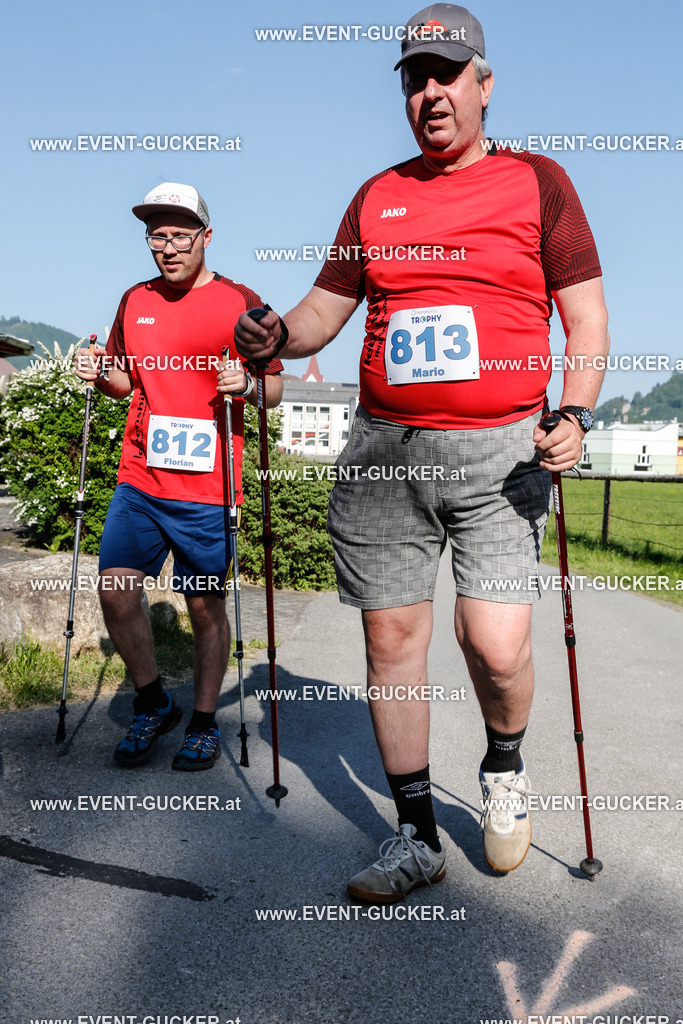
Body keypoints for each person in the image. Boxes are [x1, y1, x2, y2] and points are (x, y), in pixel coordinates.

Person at [235, 3, 609, 900]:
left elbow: (586, 314)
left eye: (447, 73)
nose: (430, 91)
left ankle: (504, 769)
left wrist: (576, 411)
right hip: (383, 455)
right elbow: (326, 311)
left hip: (501, 454)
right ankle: (414, 836)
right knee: (392, 643)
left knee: (496, 647)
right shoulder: (376, 195)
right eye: (414, 77)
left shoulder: (537, 182)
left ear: (484, 84)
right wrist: (275, 331)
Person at [74, 182, 283, 771]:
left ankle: (201, 720)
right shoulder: (133, 300)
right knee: (115, 590)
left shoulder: (241, 301)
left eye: (179, 234)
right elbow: (123, 379)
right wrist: (96, 370)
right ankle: (153, 702)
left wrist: (247, 384)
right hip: (140, 478)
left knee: (205, 609)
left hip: (208, 488)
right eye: (156, 235)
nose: (166, 247)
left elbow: (274, 387)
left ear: (206, 237)